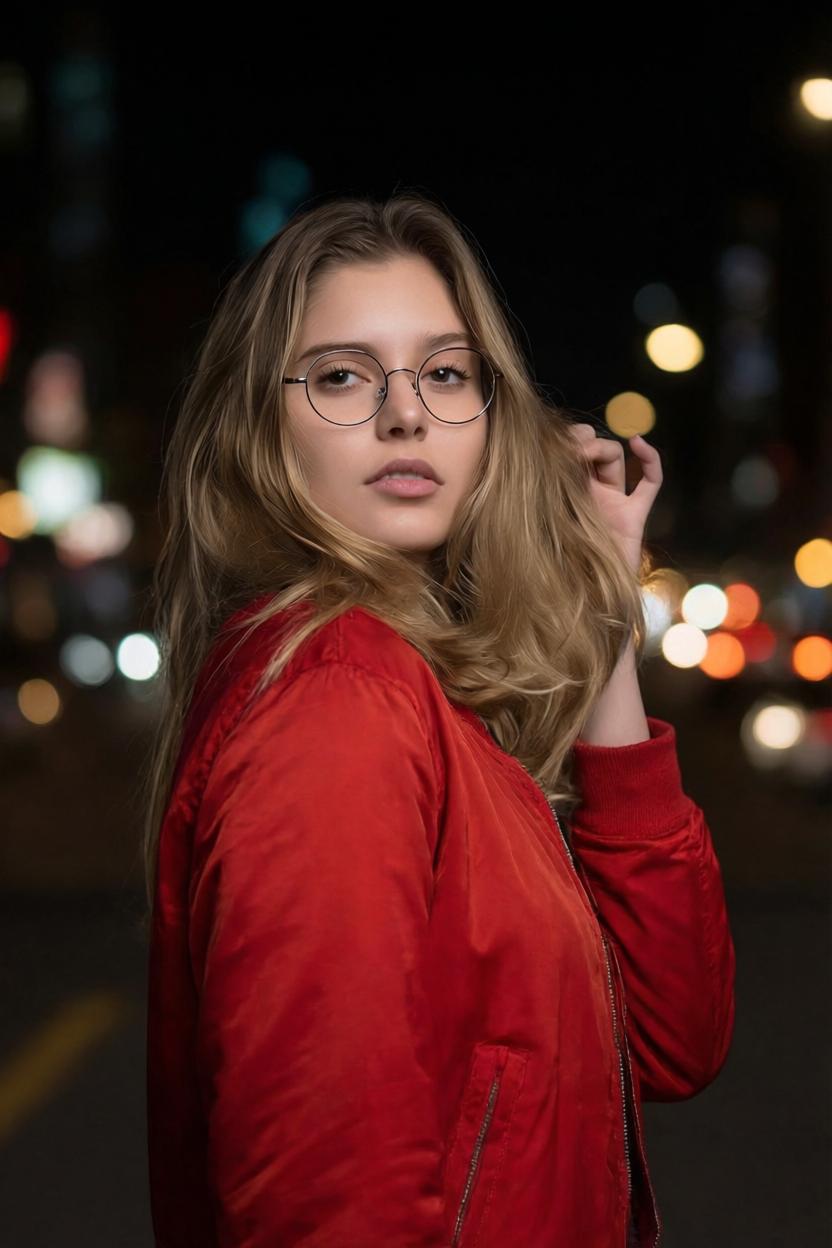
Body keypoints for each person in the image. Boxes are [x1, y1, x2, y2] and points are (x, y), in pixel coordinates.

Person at [142, 190, 736, 1247]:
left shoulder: (413, 686)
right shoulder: (337, 704)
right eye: (340, 375)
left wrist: (602, 623)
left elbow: (668, 1038)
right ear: (255, 421)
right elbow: (323, 1209)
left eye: (447, 372)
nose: (405, 413)